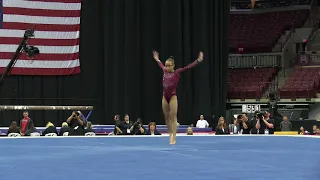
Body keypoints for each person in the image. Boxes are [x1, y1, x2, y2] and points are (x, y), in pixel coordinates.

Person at [153, 50, 204, 144]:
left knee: (173, 117)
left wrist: (198, 60)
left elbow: (188, 67)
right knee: (167, 117)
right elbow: (160, 64)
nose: (167, 67)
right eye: (166, 65)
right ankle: (170, 134)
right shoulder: (164, 70)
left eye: (169, 66)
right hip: (165, 96)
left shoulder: (176, 72)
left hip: (172, 96)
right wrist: (157, 59)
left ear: (173, 66)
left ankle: (174, 136)